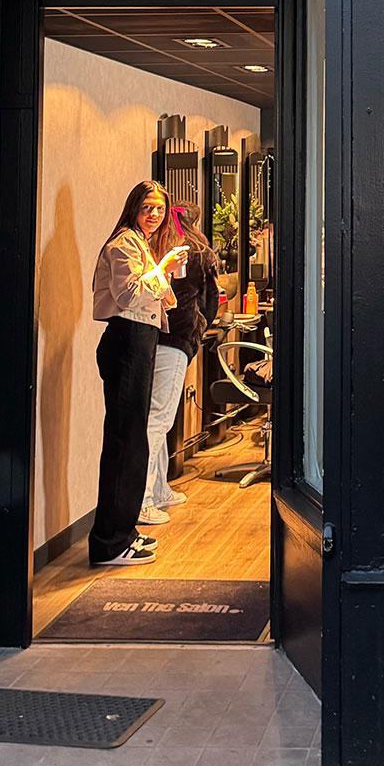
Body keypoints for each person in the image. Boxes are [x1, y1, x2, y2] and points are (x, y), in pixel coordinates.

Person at [88, 180, 187, 567]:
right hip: (127, 341)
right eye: (148, 207)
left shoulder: (140, 244)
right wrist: (163, 267)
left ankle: (124, 532)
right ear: (133, 207)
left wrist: (167, 270)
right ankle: (109, 543)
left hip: (141, 341)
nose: (155, 214)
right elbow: (128, 295)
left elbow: (159, 298)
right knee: (124, 441)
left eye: (160, 209)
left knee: (133, 442)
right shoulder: (122, 243)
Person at [138, 202, 220, 527]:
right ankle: (142, 500)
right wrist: (199, 328)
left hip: (149, 338)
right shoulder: (197, 253)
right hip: (177, 339)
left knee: (154, 415)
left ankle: (159, 490)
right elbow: (210, 301)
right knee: (159, 420)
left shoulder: (153, 250)